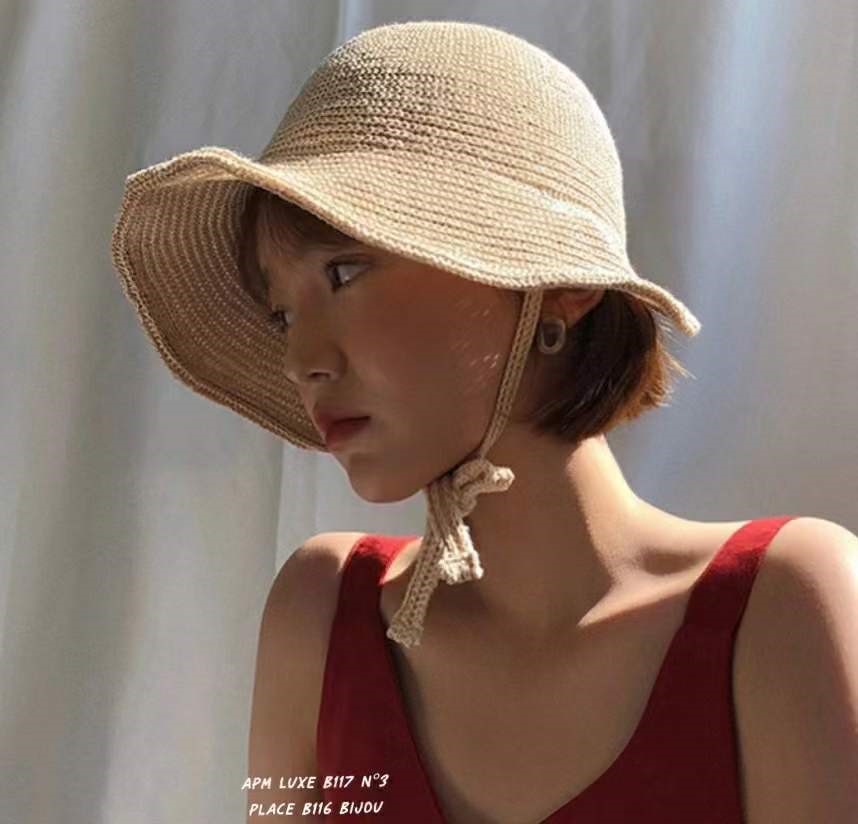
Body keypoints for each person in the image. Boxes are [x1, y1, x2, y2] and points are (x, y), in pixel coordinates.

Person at [110, 20, 858, 824]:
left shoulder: (780, 604)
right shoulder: (319, 615)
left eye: (345, 270)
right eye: (283, 314)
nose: (303, 360)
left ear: (560, 287)